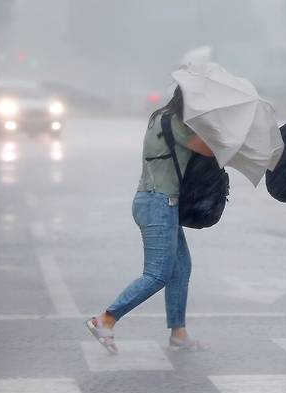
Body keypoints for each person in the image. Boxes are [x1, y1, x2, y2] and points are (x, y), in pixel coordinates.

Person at [85, 87, 214, 354]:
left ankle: (178, 334)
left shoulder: (165, 117)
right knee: (157, 274)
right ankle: (106, 319)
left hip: (162, 202)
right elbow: (208, 150)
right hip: (158, 203)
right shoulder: (175, 122)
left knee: (181, 269)